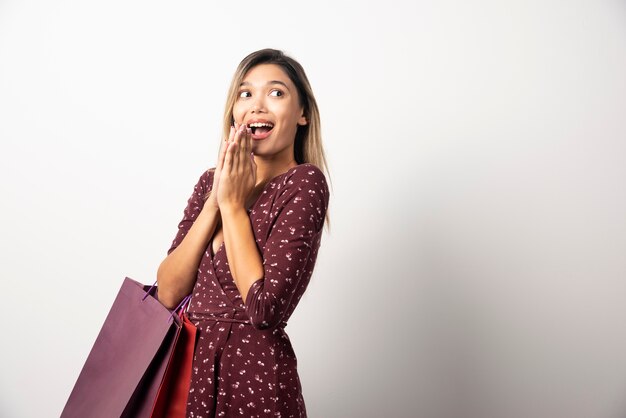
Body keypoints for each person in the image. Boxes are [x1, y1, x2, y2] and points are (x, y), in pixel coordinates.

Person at [156, 48, 331, 417]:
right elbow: (168, 294)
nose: (257, 105)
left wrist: (234, 207)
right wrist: (215, 202)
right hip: (190, 377)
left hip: (256, 380)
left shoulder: (305, 184)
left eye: (276, 93)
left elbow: (264, 308)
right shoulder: (210, 183)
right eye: (246, 93)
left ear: (302, 115)